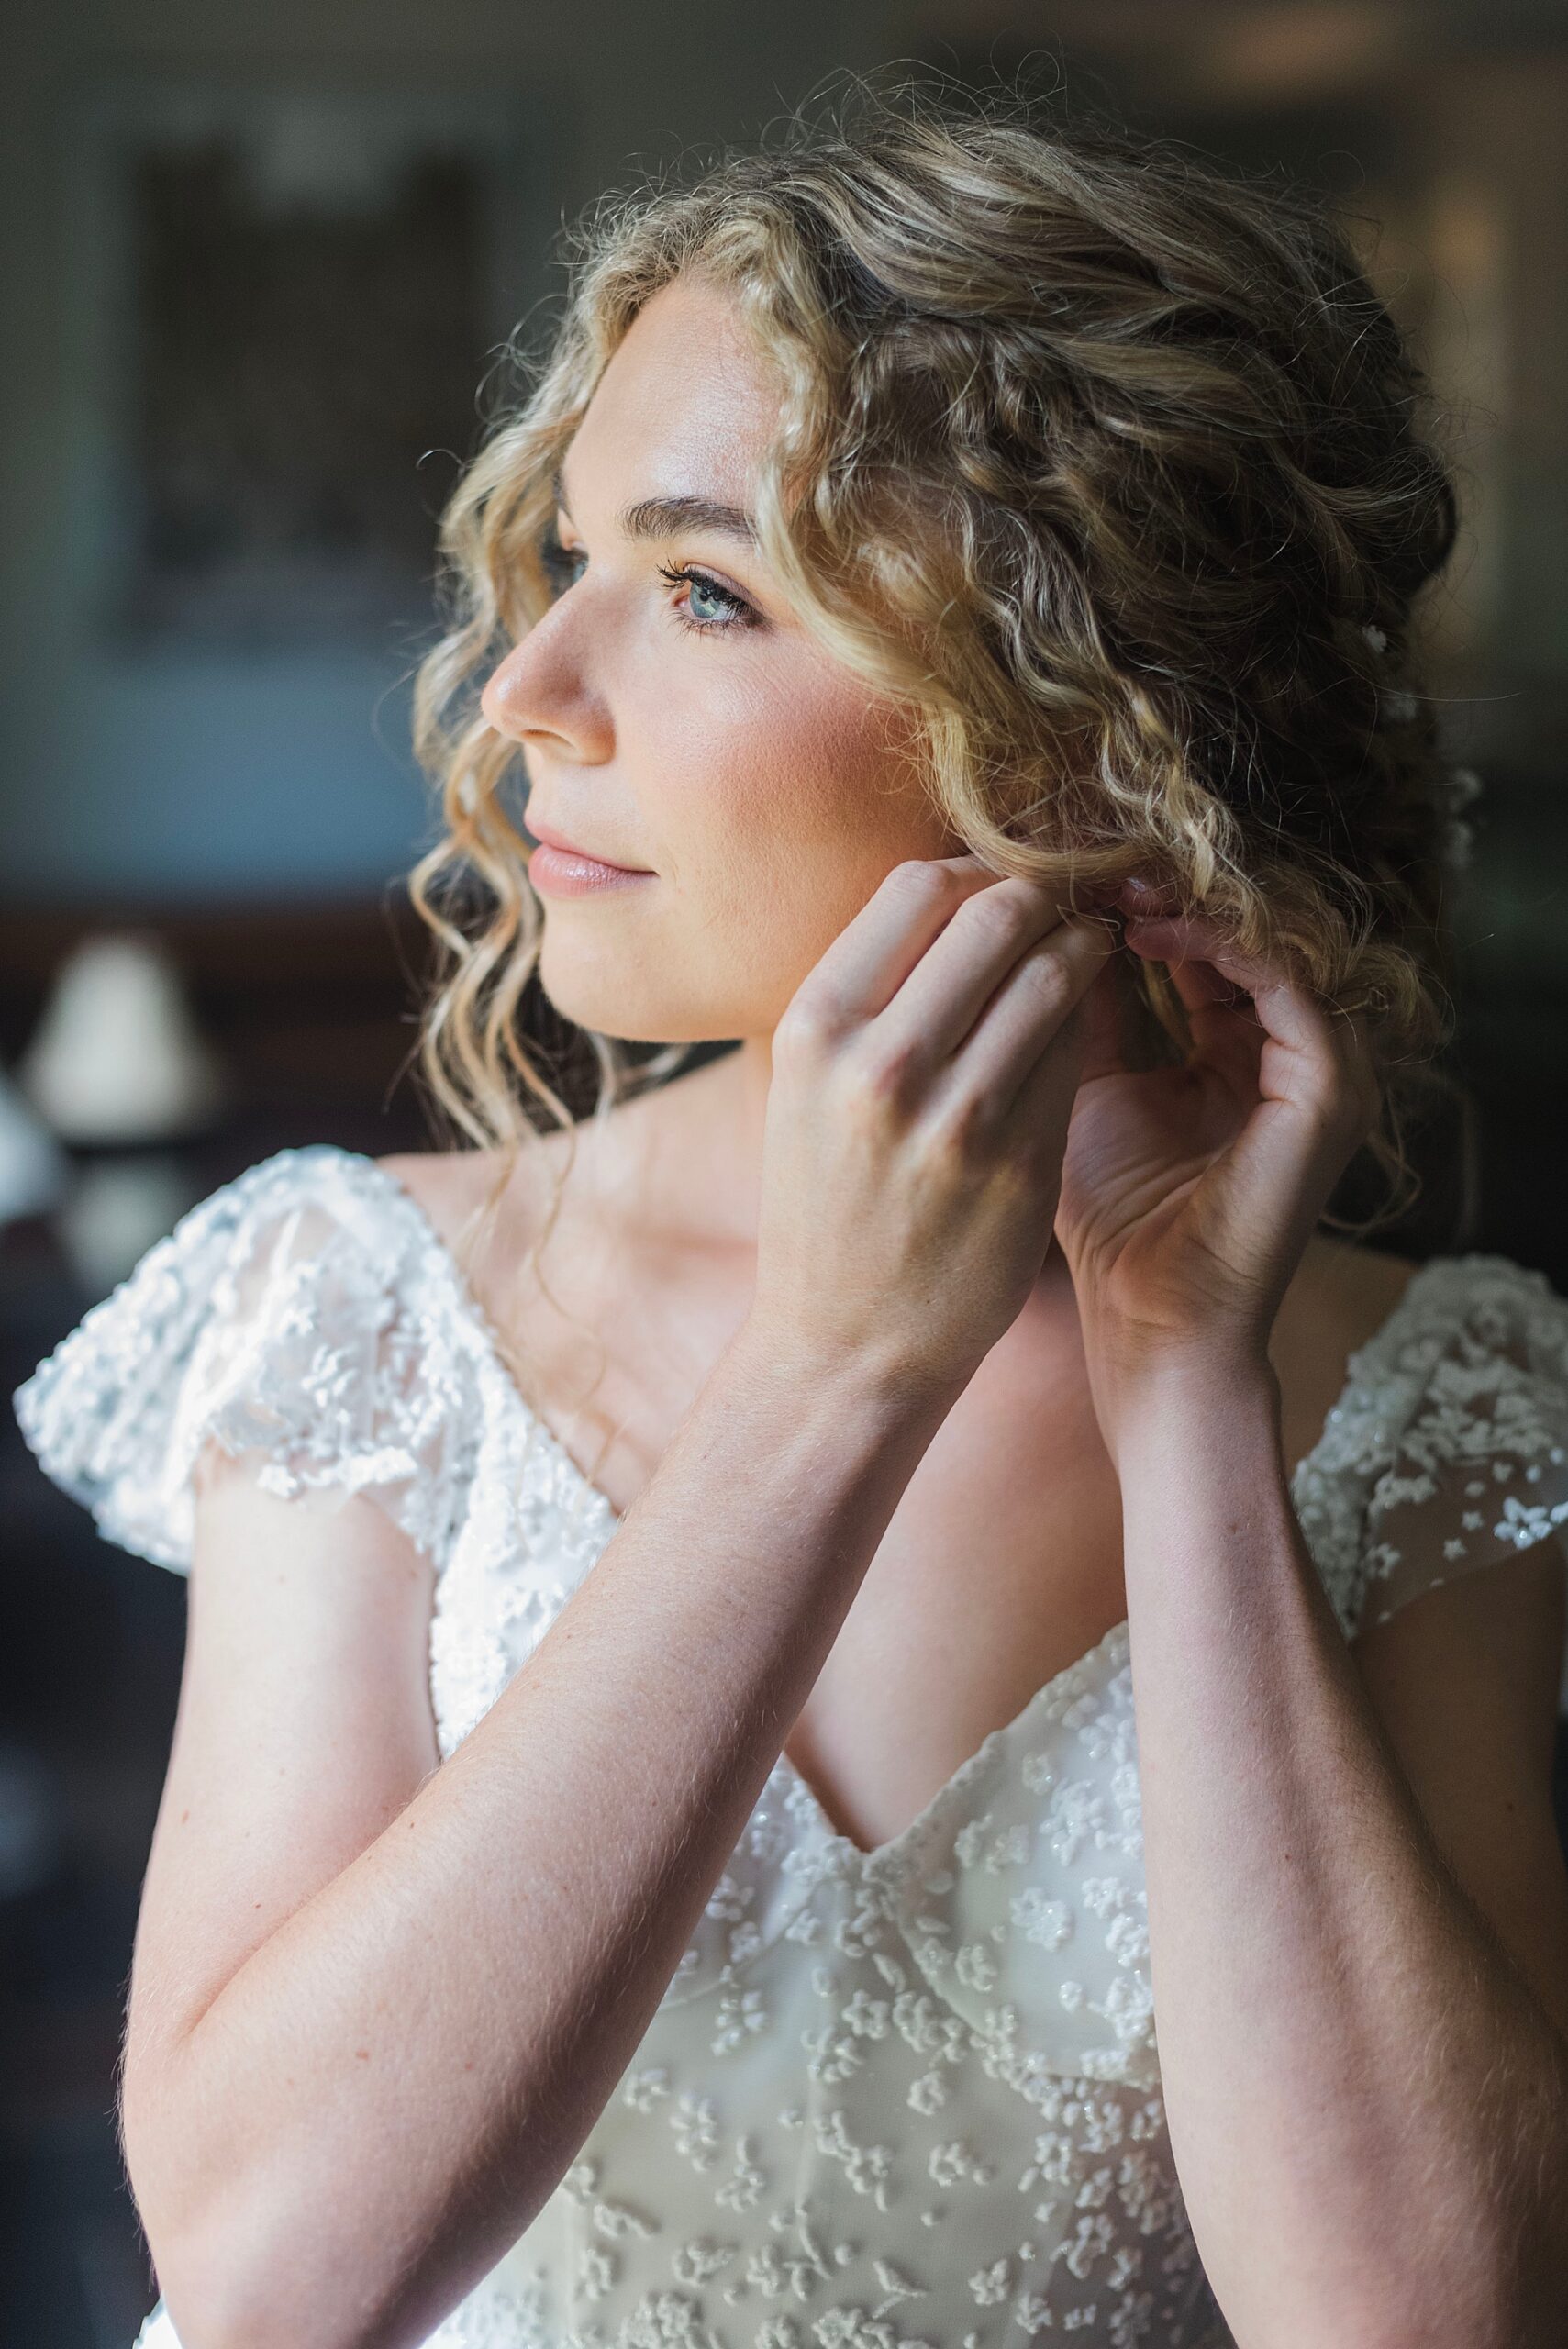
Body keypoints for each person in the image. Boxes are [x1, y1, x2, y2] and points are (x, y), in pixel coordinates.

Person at [15, 79, 1568, 2349]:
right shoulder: (354, 1299)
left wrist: (1191, 1401)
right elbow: (265, 2273)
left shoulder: (1436, 1396)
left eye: (705, 591)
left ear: (1082, 729)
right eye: (571, 566)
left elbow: (1423, 2312)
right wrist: (836, 1370)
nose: (534, 694)